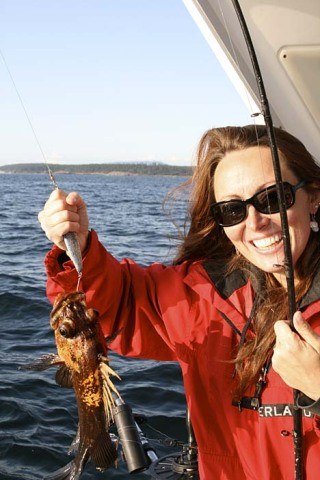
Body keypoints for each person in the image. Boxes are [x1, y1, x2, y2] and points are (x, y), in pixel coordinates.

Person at [38, 124, 320, 479]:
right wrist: (76, 249)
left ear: (313, 196)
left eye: (273, 199)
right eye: (232, 210)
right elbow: (118, 305)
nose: (256, 223)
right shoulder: (201, 293)